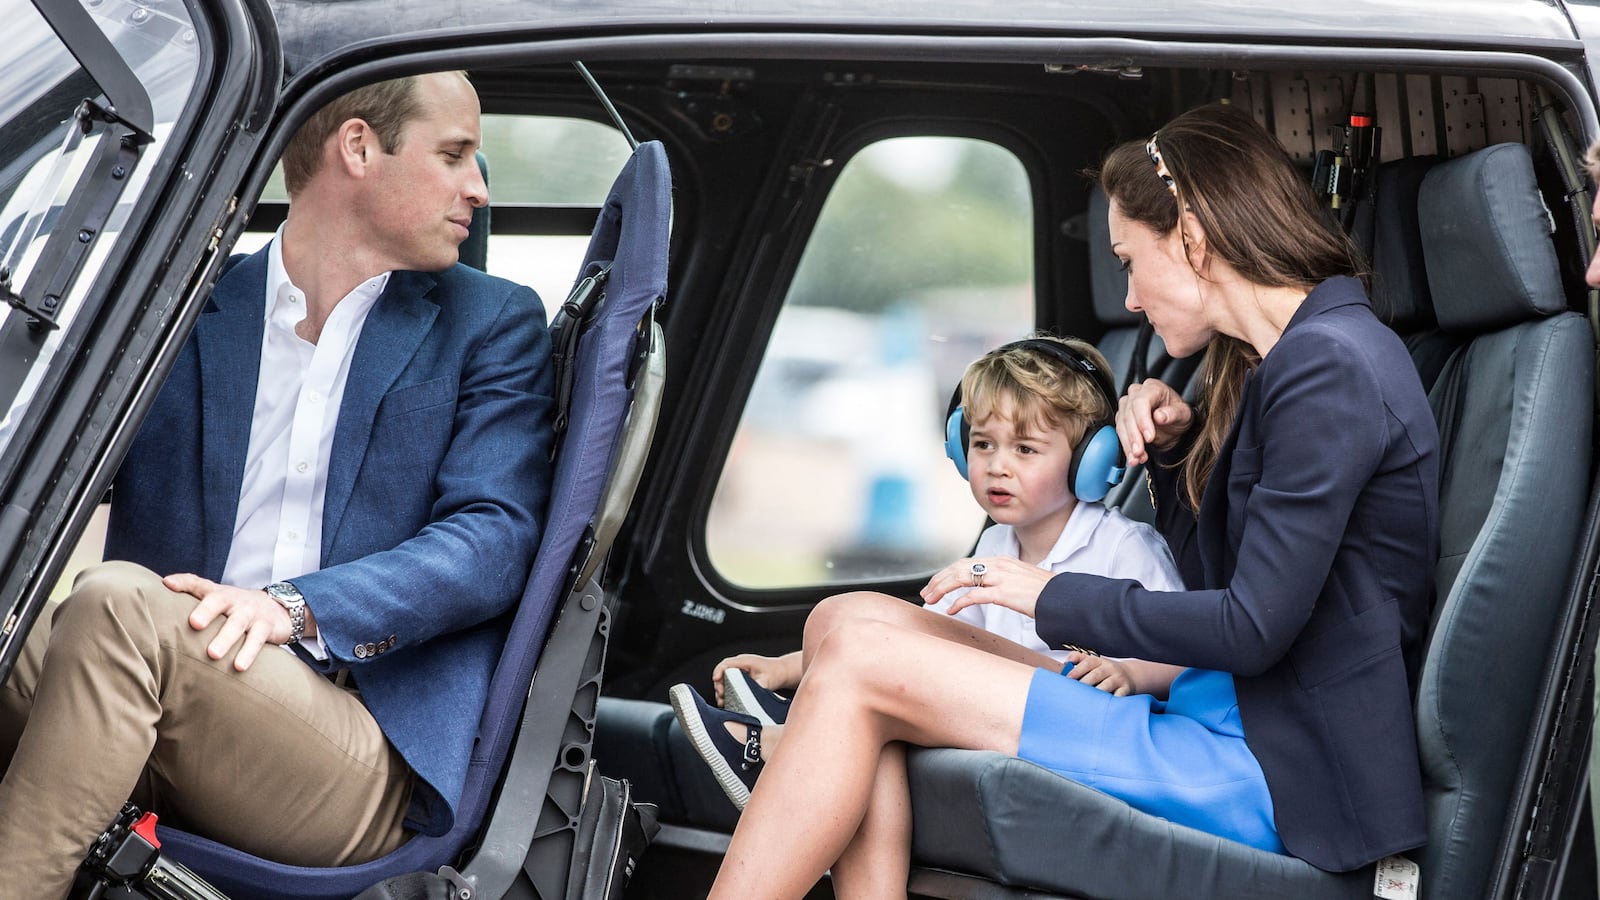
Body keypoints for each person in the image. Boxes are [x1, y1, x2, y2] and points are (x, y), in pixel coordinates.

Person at [697, 101, 1439, 899]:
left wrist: (1049, 594)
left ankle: (793, 773)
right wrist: (1176, 451)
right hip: (1224, 715)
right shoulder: (1287, 361)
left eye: (1129, 260)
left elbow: (1251, 628)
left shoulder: (1327, 366)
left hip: (1268, 768)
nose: (1129, 298)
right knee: (844, 621)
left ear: (1193, 234)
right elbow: (1228, 581)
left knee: (863, 666)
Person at [0, 71, 554, 898]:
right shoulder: (183, 306)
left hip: (353, 745)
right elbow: (58, 458)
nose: (478, 188)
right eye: (455, 155)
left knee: (119, 601)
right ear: (359, 147)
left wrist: (293, 606)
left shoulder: (493, 324)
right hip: (151, 694)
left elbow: (492, 541)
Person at [697, 337, 1186, 748]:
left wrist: (1132, 675)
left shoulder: (1125, 546)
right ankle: (791, 732)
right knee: (881, 703)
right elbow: (926, 634)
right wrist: (787, 666)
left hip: (1080, 719)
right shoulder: (994, 546)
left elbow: (1182, 651)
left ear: (1091, 460)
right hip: (1002, 707)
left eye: (1025, 449)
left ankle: (783, 744)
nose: (997, 464)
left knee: (882, 691)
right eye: (982, 443)